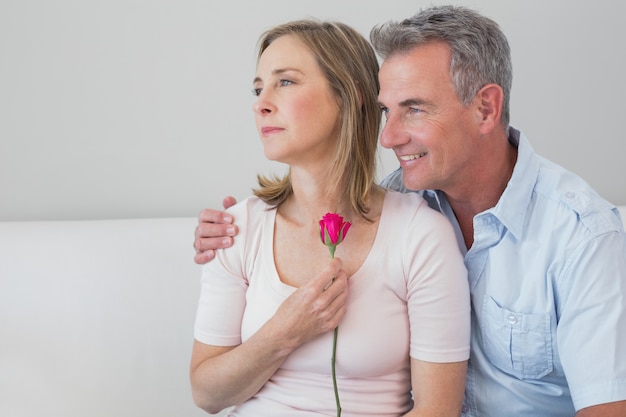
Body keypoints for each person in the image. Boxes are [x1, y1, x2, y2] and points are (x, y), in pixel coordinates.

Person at [193, 6, 626, 417]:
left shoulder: (583, 238)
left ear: (485, 109)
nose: (389, 138)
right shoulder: (403, 201)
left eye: (414, 108)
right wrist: (232, 234)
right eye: (387, 111)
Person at [189, 19, 470, 417]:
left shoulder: (420, 235)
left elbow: (437, 411)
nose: (261, 102)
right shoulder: (235, 228)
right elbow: (207, 394)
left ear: (349, 95)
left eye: (285, 82)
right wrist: (285, 331)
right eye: (258, 88)